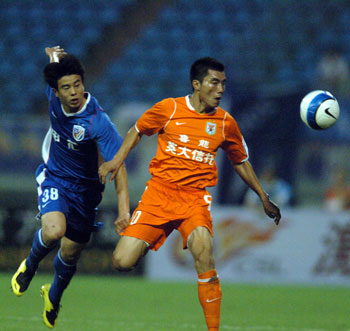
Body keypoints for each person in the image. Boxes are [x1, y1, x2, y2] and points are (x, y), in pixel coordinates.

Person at [99, 57, 281, 330]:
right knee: (122, 261)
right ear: (196, 84)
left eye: (223, 83)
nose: (220, 89)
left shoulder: (224, 123)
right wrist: (116, 160)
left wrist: (263, 196)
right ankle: (151, 236)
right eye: (214, 82)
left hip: (194, 199)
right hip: (158, 195)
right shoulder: (169, 109)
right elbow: (137, 130)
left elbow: (240, 161)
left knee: (204, 249)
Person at [11, 46, 130, 329]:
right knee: (54, 231)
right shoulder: (52, 96)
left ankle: (53, 296)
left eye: (78, 84)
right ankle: (29, 265)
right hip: (55, 178)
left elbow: (119, 165)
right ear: (56, 91)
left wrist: (124, 210)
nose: (74, 92)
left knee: (71, 254)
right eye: (67, 87)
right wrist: (54, 56)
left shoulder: (97, 121)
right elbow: (54, 71)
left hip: (86, 194)